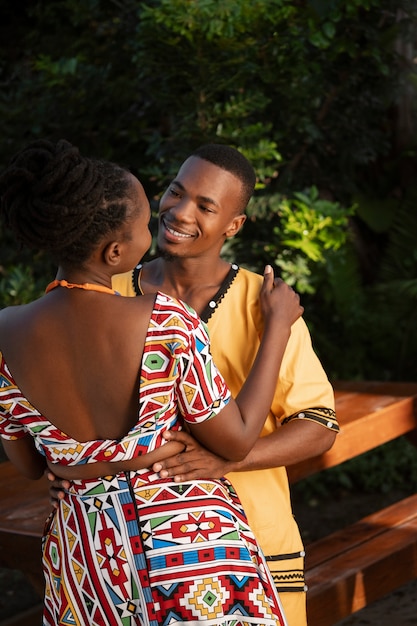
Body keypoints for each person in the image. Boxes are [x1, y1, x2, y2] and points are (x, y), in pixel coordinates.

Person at [0, 139, 303, 625]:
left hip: (84, 564)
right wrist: (279, 328)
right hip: (190, 558)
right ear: (117, 250)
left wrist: (81, 468)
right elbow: (239, 436)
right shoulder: (165, 322)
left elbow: (34, 464)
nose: (163, 222)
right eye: (144, 224)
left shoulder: (4, 336)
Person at [109, 144, 340, 625]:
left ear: (233, 225)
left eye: (206, 206)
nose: (180, 211)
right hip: (130, 557)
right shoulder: (107, 292)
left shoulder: (269, 306)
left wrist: (228, 458)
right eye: (176, 192)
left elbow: (319, 426)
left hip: (254, 552)